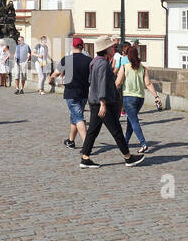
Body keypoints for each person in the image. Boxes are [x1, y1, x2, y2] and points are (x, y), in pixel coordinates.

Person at [80, 37, 147, 168]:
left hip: (94, 101)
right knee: (116, 131)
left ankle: (85, 157)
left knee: (92, 131)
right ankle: (128, 157)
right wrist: (103, 103)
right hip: (103, 103)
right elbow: (102, 85)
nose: (113, 48)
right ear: (105, 49)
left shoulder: (94, 62)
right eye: (111, 47)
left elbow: (90, 81)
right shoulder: (103, 64)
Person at [116, 43, 162, 154]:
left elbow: (118, 83)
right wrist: (156, 96)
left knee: (134, 121)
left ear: (128, 56)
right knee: (130, 120)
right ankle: (125, 142)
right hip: (140, 98)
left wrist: (109, 93)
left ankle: (143, 143)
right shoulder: (143, 68)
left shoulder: (124, 67)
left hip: (128, 98)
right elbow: (148, 83)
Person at [61, 37, 91, 149]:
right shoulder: (89, 60)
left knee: (78, 117)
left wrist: (51, 79)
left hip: (71, 93)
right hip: (84, 93)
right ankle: (71, 141)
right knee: (74, 116)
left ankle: (87, 145)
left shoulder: (66, 59)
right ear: (82, 46)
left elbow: (56, 72)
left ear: (72, 46)